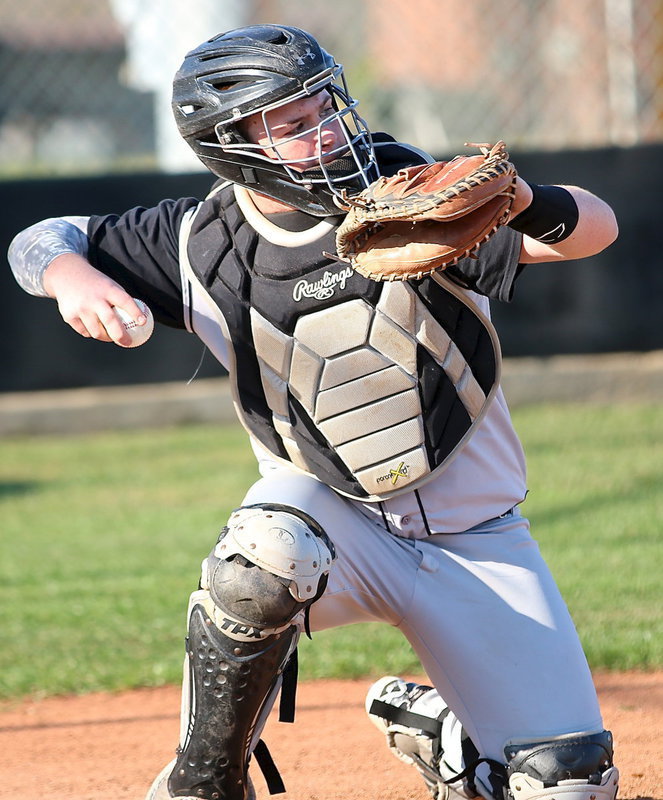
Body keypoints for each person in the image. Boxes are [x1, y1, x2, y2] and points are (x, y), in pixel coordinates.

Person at [8, 24, 620, 800]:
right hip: (331, 527)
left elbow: (595, 229)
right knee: (263, 551)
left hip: (478, 537)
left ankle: (453, 742)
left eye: (323, 105)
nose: (324, 128)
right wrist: (72, 280)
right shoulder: (200, 240)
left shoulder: (404, 192)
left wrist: (523, 201)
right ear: (231, 145)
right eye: (292, 123)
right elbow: (41, 238)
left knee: (568, 785)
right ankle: (204, 779)